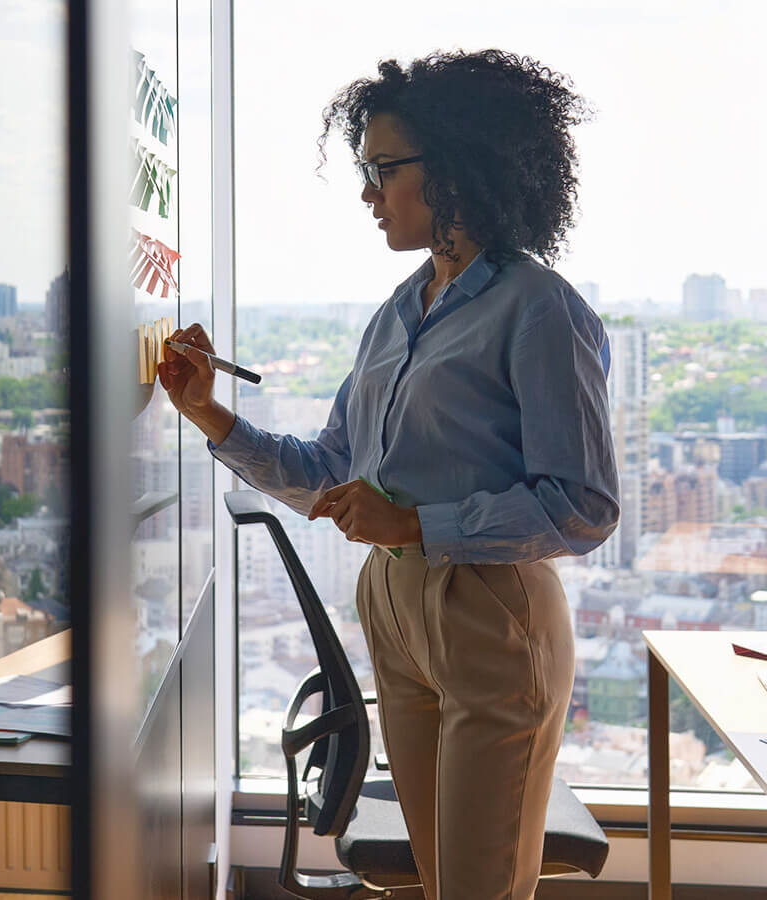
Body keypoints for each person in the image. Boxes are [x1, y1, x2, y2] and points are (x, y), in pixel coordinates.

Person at [158, 49, 618, 900]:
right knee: (444, 881)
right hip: (396, 609)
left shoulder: (540, 308)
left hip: (489, 613)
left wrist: (413, 525)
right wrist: (211, 416)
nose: (368, 194)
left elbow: (583, 508)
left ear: (453, 168)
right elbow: (333, 473)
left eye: (383, 170)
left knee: (480, 888)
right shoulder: (399, 311)